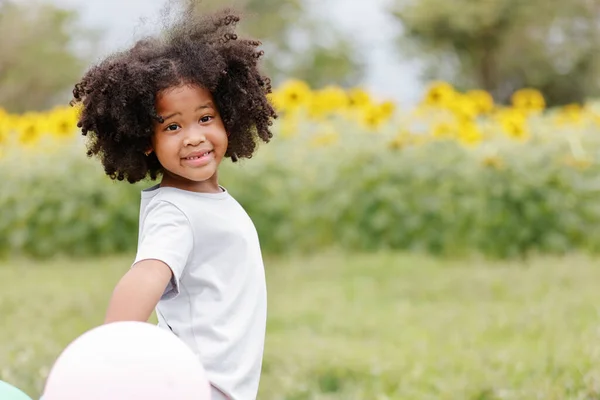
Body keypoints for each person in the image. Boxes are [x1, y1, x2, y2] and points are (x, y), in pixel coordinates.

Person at [69, 4, 277, 399]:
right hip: (194, 387)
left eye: (205, 118)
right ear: (146, 140)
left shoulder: (205, 201)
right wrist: (103, 357)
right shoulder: (176, 211)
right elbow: (146, 275)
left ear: (228, 117)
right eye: (173, 126)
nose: (194, 136)